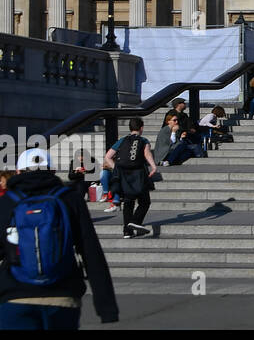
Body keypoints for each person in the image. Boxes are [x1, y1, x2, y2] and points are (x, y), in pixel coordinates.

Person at [0, 148, 119, 329]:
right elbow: (91, 252)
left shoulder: (6, 202)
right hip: (63, 296)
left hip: (15, 296)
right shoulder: (69, 198)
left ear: (17, 172)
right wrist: (106, 307)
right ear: (53, 171)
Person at [105, 117, 160, 238]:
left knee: (128, 202)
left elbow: (108, 156)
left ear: (130, 128)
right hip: (139, 174)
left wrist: (116, 169)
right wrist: (153, 166)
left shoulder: (122, 140)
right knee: (145, 201)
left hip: (124, 175)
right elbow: (147, 153)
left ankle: (127, 231)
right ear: (141, 128)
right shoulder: (143, 140)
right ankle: (135, 222)